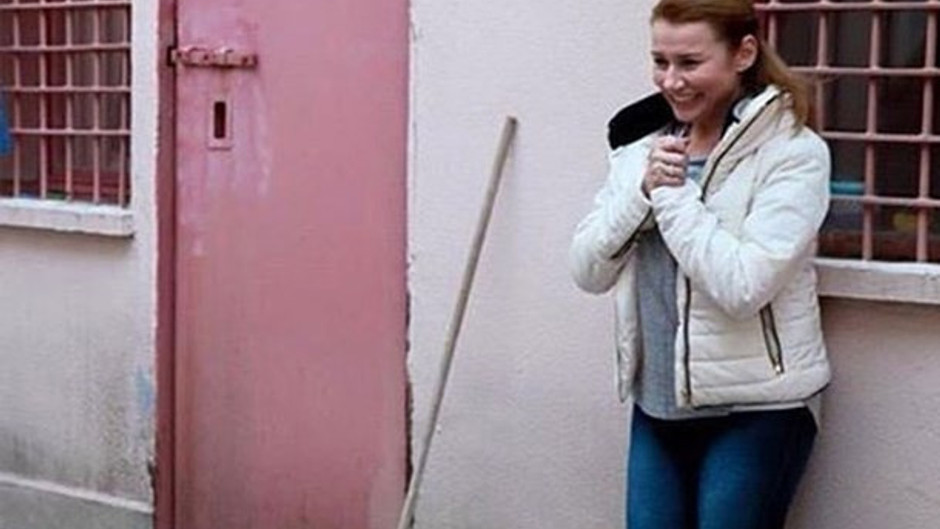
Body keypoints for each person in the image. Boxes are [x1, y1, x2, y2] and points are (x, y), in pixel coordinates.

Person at [568, 1, 831, 528]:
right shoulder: (640, 146)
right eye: (660, 61)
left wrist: (671, 195)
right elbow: (588, 270)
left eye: (690, 63)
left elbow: (743, 286)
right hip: (658, 405)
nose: (672, 81)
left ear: (744, 53)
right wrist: (640, 194)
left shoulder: (792, 153)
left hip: (756, 410)